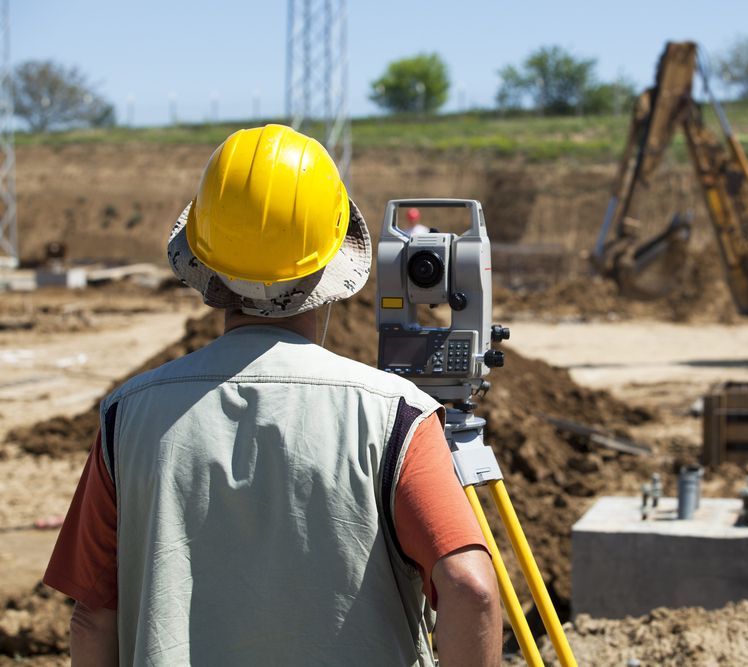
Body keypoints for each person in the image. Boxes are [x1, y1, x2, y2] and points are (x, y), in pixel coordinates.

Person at [43, 124, 502, 666]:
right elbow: (471, 589)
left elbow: (93, 614)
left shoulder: (128, 416)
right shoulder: (396, 416)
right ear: (335, 266)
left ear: (204, 267)